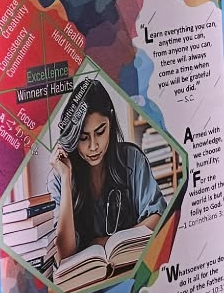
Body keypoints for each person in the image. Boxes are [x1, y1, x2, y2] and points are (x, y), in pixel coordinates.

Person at [50, 78, 164, 260]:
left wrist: (105, 242)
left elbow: (158, 218)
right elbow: (65, 252)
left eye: (100, 132)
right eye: (83, 137)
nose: (93, 146)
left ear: (110, 124)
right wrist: (65, 179)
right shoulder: (59, 176)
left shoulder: (132, 159)